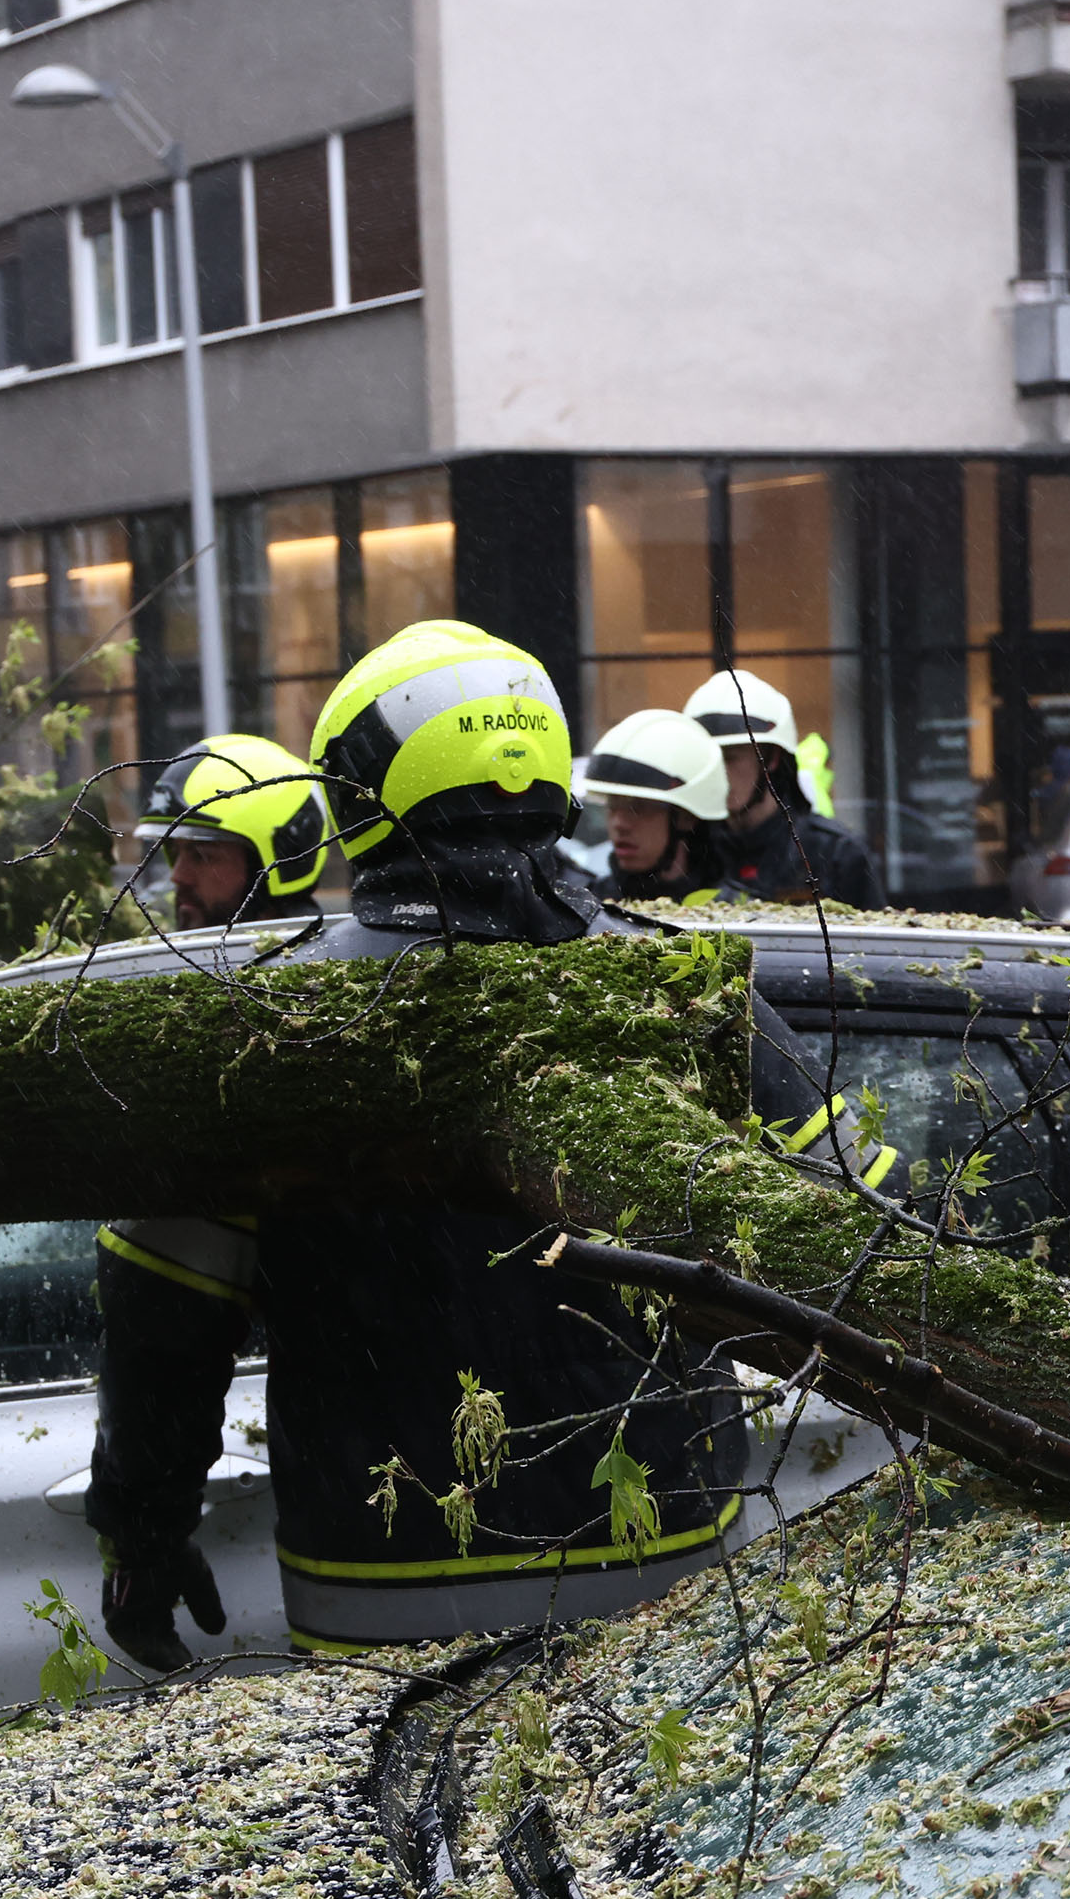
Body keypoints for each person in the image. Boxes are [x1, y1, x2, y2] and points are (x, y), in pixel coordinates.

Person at [83, 621, 877, 1668]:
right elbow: (869, 1228)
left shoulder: (270, 1026)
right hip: (664, 1570)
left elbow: (163, 1314)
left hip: (378, 1579)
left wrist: (142, 1526)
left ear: (357, 794)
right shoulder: (677, 995)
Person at [685, 668, 882, 906]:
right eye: (708, 759)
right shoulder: (686, 850)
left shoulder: (836, 853)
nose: (717, 772)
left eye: (730, 757)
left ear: (771, 758)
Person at [136, 736, 340, 929]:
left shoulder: (338, 962)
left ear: (284, 858)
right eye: (174, 852)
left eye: (201, 856)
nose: (178, 876)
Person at [578, 708, 737, 905]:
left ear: (686, 816)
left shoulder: (737, 914)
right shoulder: (590, 905)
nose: (619, 823)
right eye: (612, 805)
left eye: (639, 806)